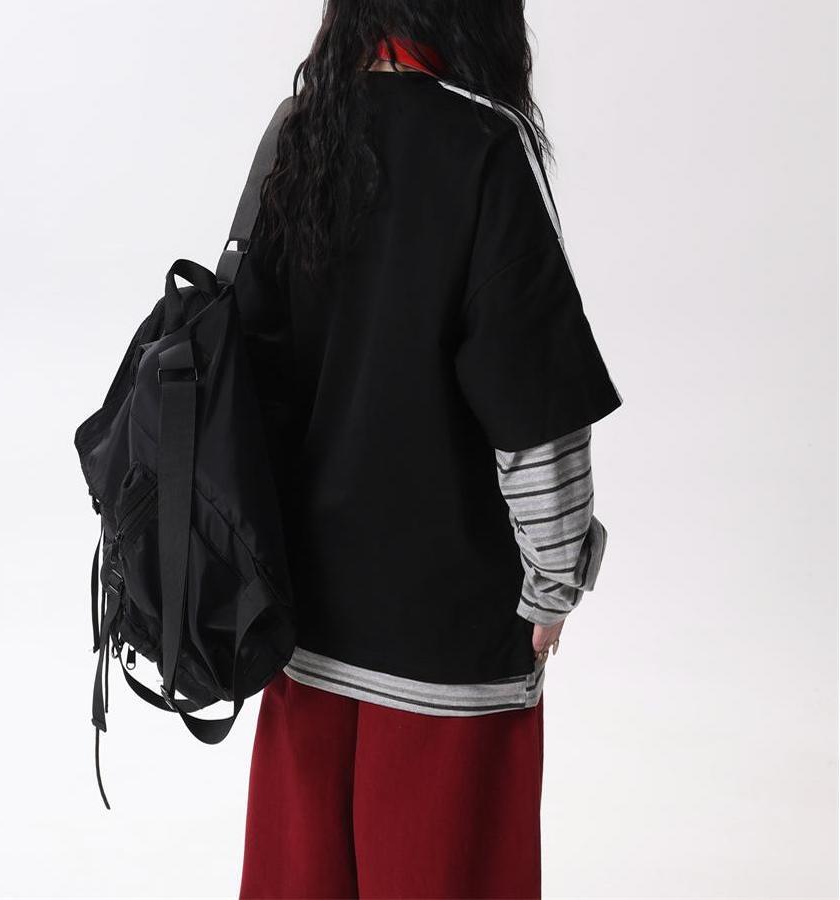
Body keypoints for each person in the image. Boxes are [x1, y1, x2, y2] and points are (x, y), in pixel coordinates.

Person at [236, 2, 622, 897]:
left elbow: (242, 373)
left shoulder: (298, 135)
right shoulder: (481, 149)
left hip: (299, 627)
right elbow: (536, 411)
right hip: (447, 648)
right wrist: (553, 583)